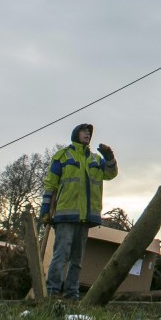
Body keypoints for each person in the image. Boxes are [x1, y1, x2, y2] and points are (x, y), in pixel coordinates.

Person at [39, 122, 118, 300]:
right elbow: (50, 184)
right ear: (76, 134)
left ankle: (72, 294)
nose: (88, 134)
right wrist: (45, 210)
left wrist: (110, 156)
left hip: (85, 217)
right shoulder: (62, 156)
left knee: (77, 259)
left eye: (89, 132)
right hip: (65, 215)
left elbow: (111, 174)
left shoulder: (96, 160)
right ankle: (52, 291)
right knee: (61, 255)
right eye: (84, 131)